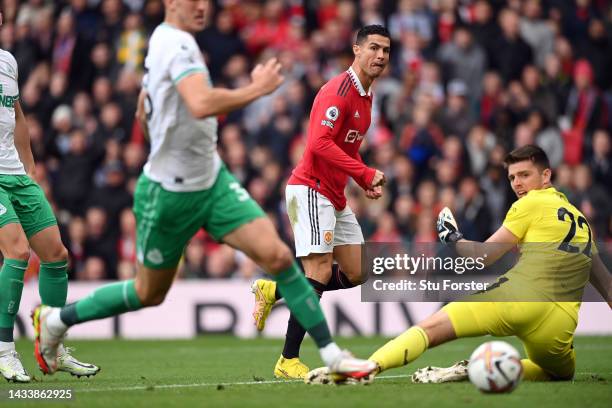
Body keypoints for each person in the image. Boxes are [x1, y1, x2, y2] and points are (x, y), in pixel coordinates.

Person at [31, 0, 376, 383]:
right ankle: (57, 319)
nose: (202, 7)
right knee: (149, 292)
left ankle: (330, 355)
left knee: (279, 257)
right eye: (193, 0)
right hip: (170, 193)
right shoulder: (173, 45)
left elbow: (149, 113)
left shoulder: (180, 43)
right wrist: (256, 89)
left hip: (213, 181)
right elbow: (199, 103)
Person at [360, 144, 612, 384]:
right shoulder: (580, 221)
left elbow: (483, 256)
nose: (518, 184)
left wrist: (453, 239)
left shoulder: (529, 203)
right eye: (512, 177)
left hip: (518, 300)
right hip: (561, 323)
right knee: (557, 373)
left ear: (546, 175)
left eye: (524, 175)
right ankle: (476, 369)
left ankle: (365, 368)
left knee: (431, 328)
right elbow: (607, 287)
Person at [251, 25, 390, 379]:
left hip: (334, 194)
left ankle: (276, 289)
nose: (380, 56)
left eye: (386, 51)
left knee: (358, 270)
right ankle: (288, 360)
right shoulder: (338, 91)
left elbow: (346, 147)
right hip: (310, 189)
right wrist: (364, 171)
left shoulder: (367, 95)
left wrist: (361, 180)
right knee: (319, 272)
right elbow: (318, 143)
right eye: (373, 48)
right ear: (356, 50)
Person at [0, 13, 99, 382]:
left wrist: (29, 162)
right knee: (17, 252)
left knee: (56, 256)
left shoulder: (7, 61)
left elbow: (17, 114)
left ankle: (51, 345)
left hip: (15, 172)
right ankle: (4, 350)